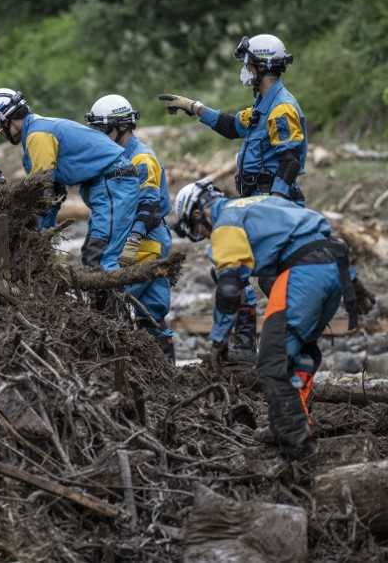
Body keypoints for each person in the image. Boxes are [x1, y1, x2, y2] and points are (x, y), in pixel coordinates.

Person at [172, 181, 357, 462]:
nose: (205, 236)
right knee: (301, 354)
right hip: (333, 268)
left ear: (198, 213)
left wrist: (218, 339)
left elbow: (230, 288)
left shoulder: (224, 223)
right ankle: (291, 421)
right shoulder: (258, 203)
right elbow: (317, 230)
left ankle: (298, 450)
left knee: (272, 362)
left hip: (303, 273)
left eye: (198, 232)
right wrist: (355, 283)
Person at [160, 34, 306, 355]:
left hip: (269, 203)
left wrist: (276, 203)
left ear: (262, 65)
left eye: (248, 63)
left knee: (270, 277)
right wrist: (195, 107)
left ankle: (292, 341)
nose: (245, 70)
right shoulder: (261, 106)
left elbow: (290, 159)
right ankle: (243, 345)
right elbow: (231, 126)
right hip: (253, 201)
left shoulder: (281, 109)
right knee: (235, 272)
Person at [0, 88, 139, 271]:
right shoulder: (38, 130)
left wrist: (29, 233)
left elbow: (41, 191)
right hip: (108, 184)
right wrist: (40, 235)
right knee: (96, 256)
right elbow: (54, 193)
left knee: (100, 257)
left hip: (113, 182)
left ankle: (115, 298)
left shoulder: (38, 135)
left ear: (5, 119)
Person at [85, 95, 176, 361]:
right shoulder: (116, 156)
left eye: (103, 129)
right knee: (151, 309)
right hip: (142, 237)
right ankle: (156, 369)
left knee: (122, 302)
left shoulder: (141, 159)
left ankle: (154, 369)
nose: (99, 135)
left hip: (146, 239)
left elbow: (149, 207)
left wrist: (132, 241)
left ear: (121, 127)